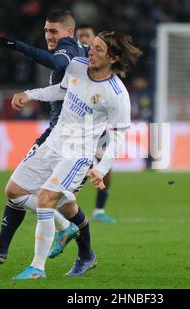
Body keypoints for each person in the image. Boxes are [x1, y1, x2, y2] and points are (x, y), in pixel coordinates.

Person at [11, 30, 142, 280]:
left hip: (77, 153)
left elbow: (117, 140)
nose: (90, 51)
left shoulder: (117, 95)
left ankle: (37, 268)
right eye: (91, 46)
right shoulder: (77, 66)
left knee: (46, 200)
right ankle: (73, 239)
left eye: (98, 49)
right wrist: (29, 94)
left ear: (113, 58)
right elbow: (59, 91)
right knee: (14, 192)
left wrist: (100, 169)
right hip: (53, 142)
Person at [0, 10, 92, 270]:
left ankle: (64, 240)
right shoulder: (81, 49)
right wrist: (30, 94)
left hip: (65, 138)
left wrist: (19, 46)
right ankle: (81, 251)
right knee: (62, 201)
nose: (49, 36)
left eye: (53, 31)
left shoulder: (67, 47)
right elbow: (62, 87)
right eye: (46, 31)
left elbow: (55, 63)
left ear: (69, 32)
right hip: (61, 133)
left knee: (25, 192)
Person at [75, 24, 117, 223]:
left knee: (105, 168)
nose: (84, 38)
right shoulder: (75, 64)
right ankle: (65, 208)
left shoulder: (100, 65)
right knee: (78, 169)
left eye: (87, 36)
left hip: (100, 127)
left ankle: (99, 210)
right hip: (77, 127)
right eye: (80, 35)